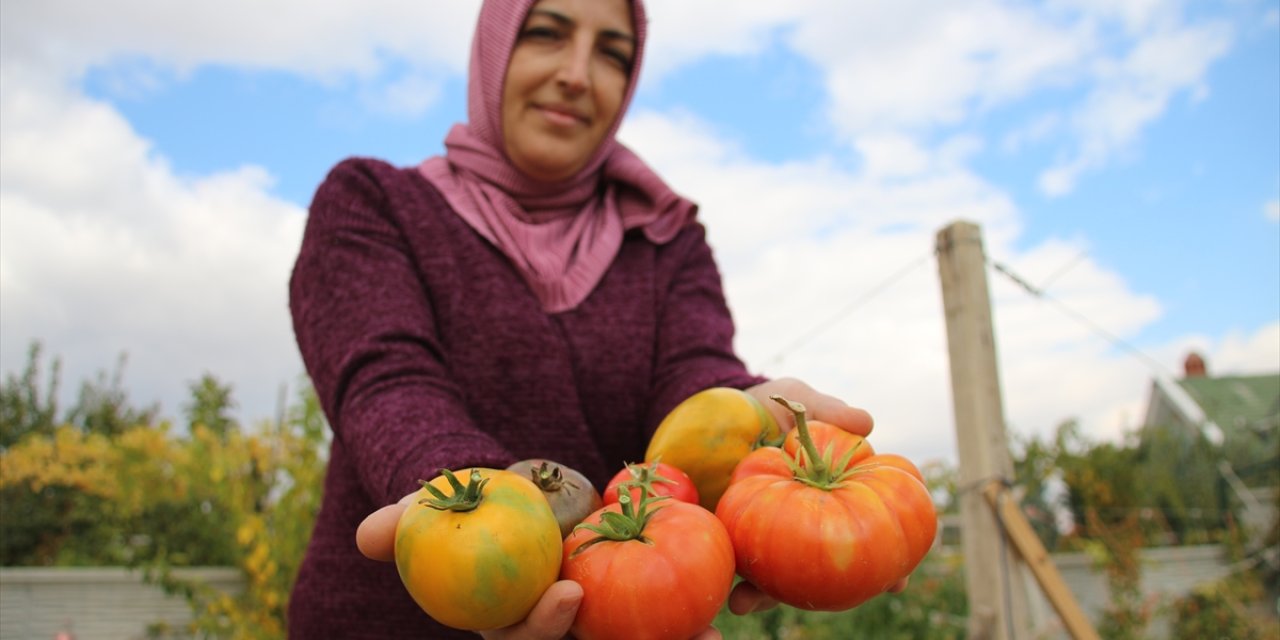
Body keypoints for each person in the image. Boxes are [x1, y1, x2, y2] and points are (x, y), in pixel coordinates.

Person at [286, 0, 886, 637]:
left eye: (612, 53)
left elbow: (691, 374)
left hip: (616, 612)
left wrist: (746, 417)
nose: (578, 73)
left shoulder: (665, 238)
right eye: (546, 34)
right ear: (494, 52)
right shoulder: (374, 203)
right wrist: (473, 498)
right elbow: (387, 379)